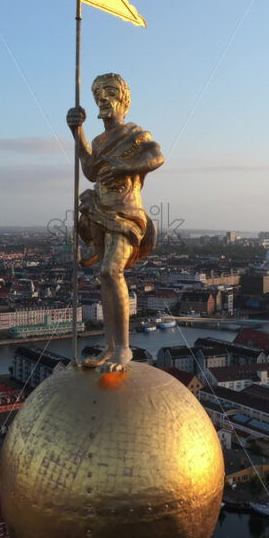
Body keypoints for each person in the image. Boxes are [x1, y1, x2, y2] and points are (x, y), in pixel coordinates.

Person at [67, 73, 164, 371]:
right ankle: (111, 347)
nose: (103, 98)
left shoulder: (134, 134)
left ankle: (123, 349)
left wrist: (124, 167)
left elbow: (156, 156)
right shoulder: (98, 140)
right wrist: (77, 132)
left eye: (109, 92)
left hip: (127, 215)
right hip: (99, 211)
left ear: (123, 99)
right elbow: (90, 169)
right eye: (98, 94)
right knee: (103, 276)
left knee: (111, 271)